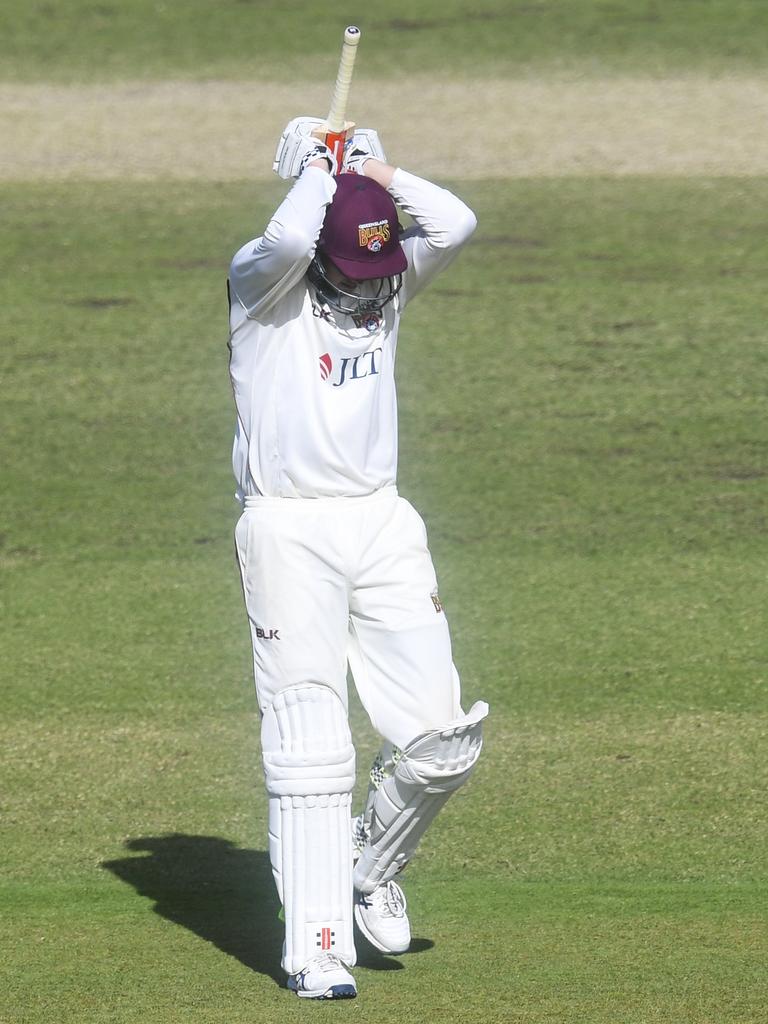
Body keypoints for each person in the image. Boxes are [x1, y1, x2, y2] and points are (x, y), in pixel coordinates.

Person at [227, 117, 489, 1000]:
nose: (375, 291)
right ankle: (318, 947)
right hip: (288, 527)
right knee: (310, 747)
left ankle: (370, 866)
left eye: (383, 270)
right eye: (356, 270)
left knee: (442, 744)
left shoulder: (387, 277)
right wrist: (314, 170)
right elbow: (293, 234)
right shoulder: (263, 288)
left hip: (381, 519)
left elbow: (452, 223)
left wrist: (372, 169)